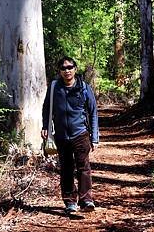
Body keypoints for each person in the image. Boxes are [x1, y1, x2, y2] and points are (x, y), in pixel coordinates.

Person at [41, 56, 100, 213]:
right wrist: (45, 126)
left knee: (83, 167)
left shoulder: (84, 88)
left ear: (75, 69)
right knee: (66, 168)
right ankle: (70, 202)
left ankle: (86, 200)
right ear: (59, 71)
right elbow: (46, 108)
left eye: (70, 67)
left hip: (80, 134)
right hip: (61, 135)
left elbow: (93, 112)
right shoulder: (54, 88)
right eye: (63, 68)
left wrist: (94, 137)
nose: (67, 70)